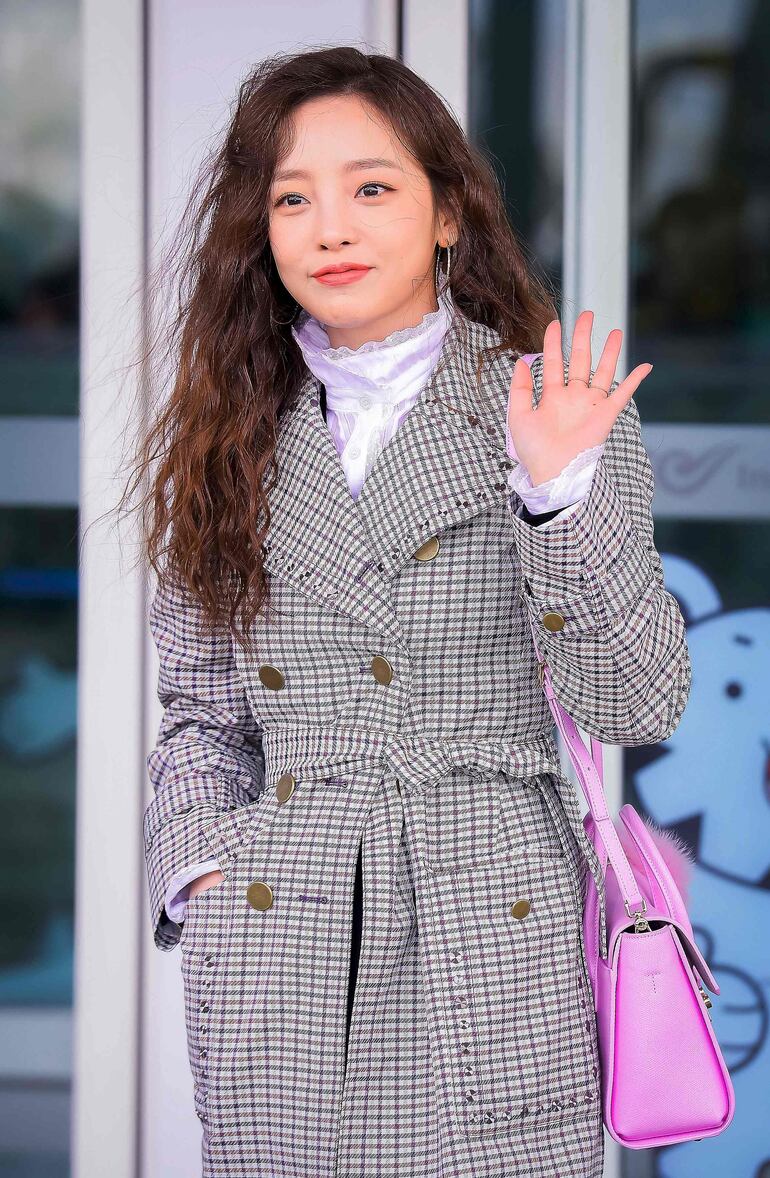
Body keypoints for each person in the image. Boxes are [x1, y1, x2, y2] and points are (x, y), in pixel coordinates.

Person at [132, 45, 691, 1178]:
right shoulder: (227, 428)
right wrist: (208, 881)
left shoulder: (546, 405)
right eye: (292, 199)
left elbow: (639, 702)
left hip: (489, 922)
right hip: (283, 936)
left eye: (371, 187)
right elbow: (200, 715)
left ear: (447, 213)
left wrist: (555, 497)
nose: (330, 228)